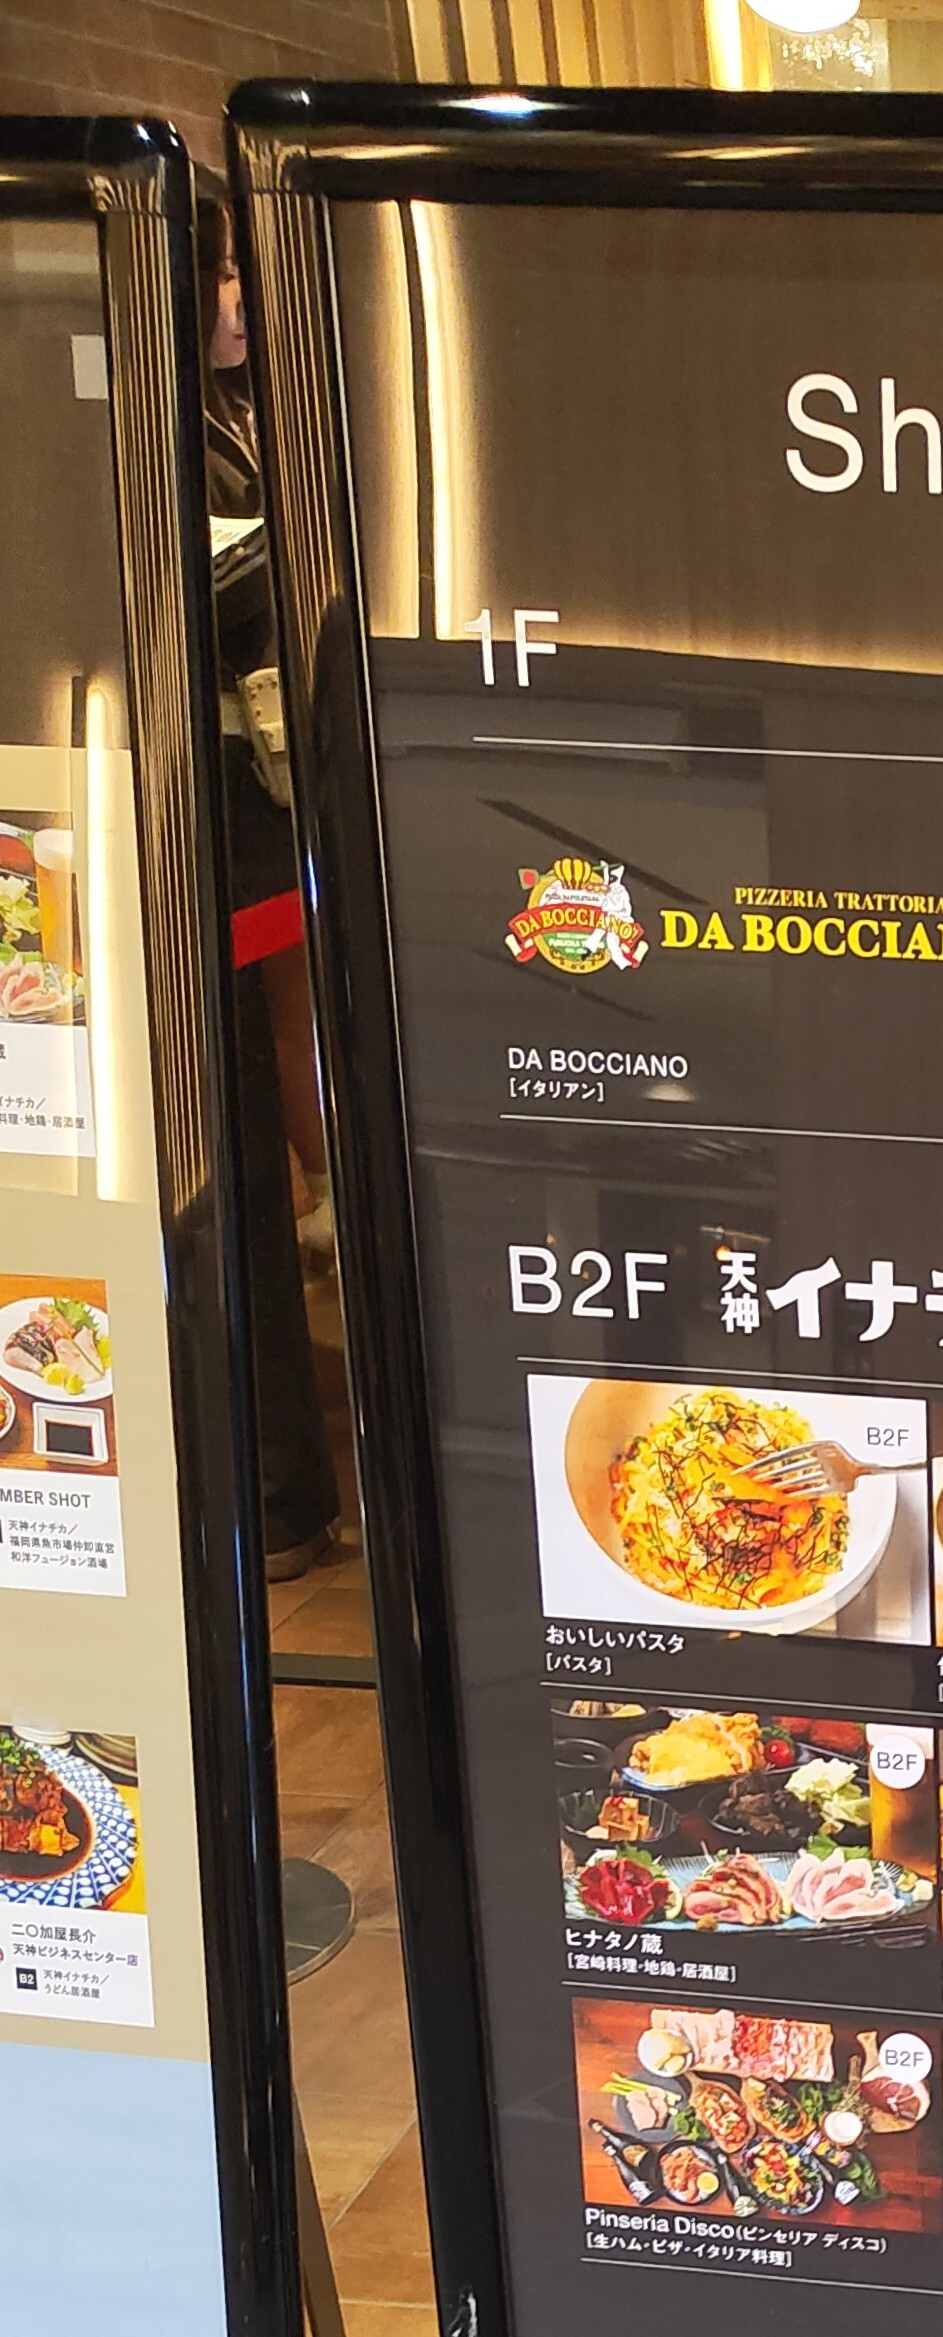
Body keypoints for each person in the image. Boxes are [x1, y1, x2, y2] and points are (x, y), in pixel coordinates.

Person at [197, 188, 341, 1578]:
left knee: (298, 1010)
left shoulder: (246, 412)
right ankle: (327, 1197)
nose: (243, 298)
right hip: (227, 812)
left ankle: (331, 1197)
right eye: (227, 272)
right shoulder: (153, 424)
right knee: (266, 1041)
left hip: (273, 793)